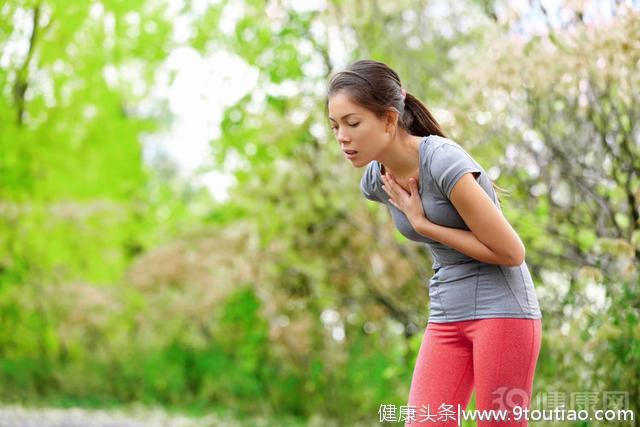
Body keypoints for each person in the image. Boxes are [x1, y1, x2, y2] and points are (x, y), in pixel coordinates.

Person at [325, 59, 542, 426]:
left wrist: (424, 224)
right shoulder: (375, 180)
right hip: (446, 313)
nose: (342, 137)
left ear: (390, 119)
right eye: (335, 126)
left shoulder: (443, 161)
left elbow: (511, 252)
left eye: (353, 123)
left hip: (502, 310)